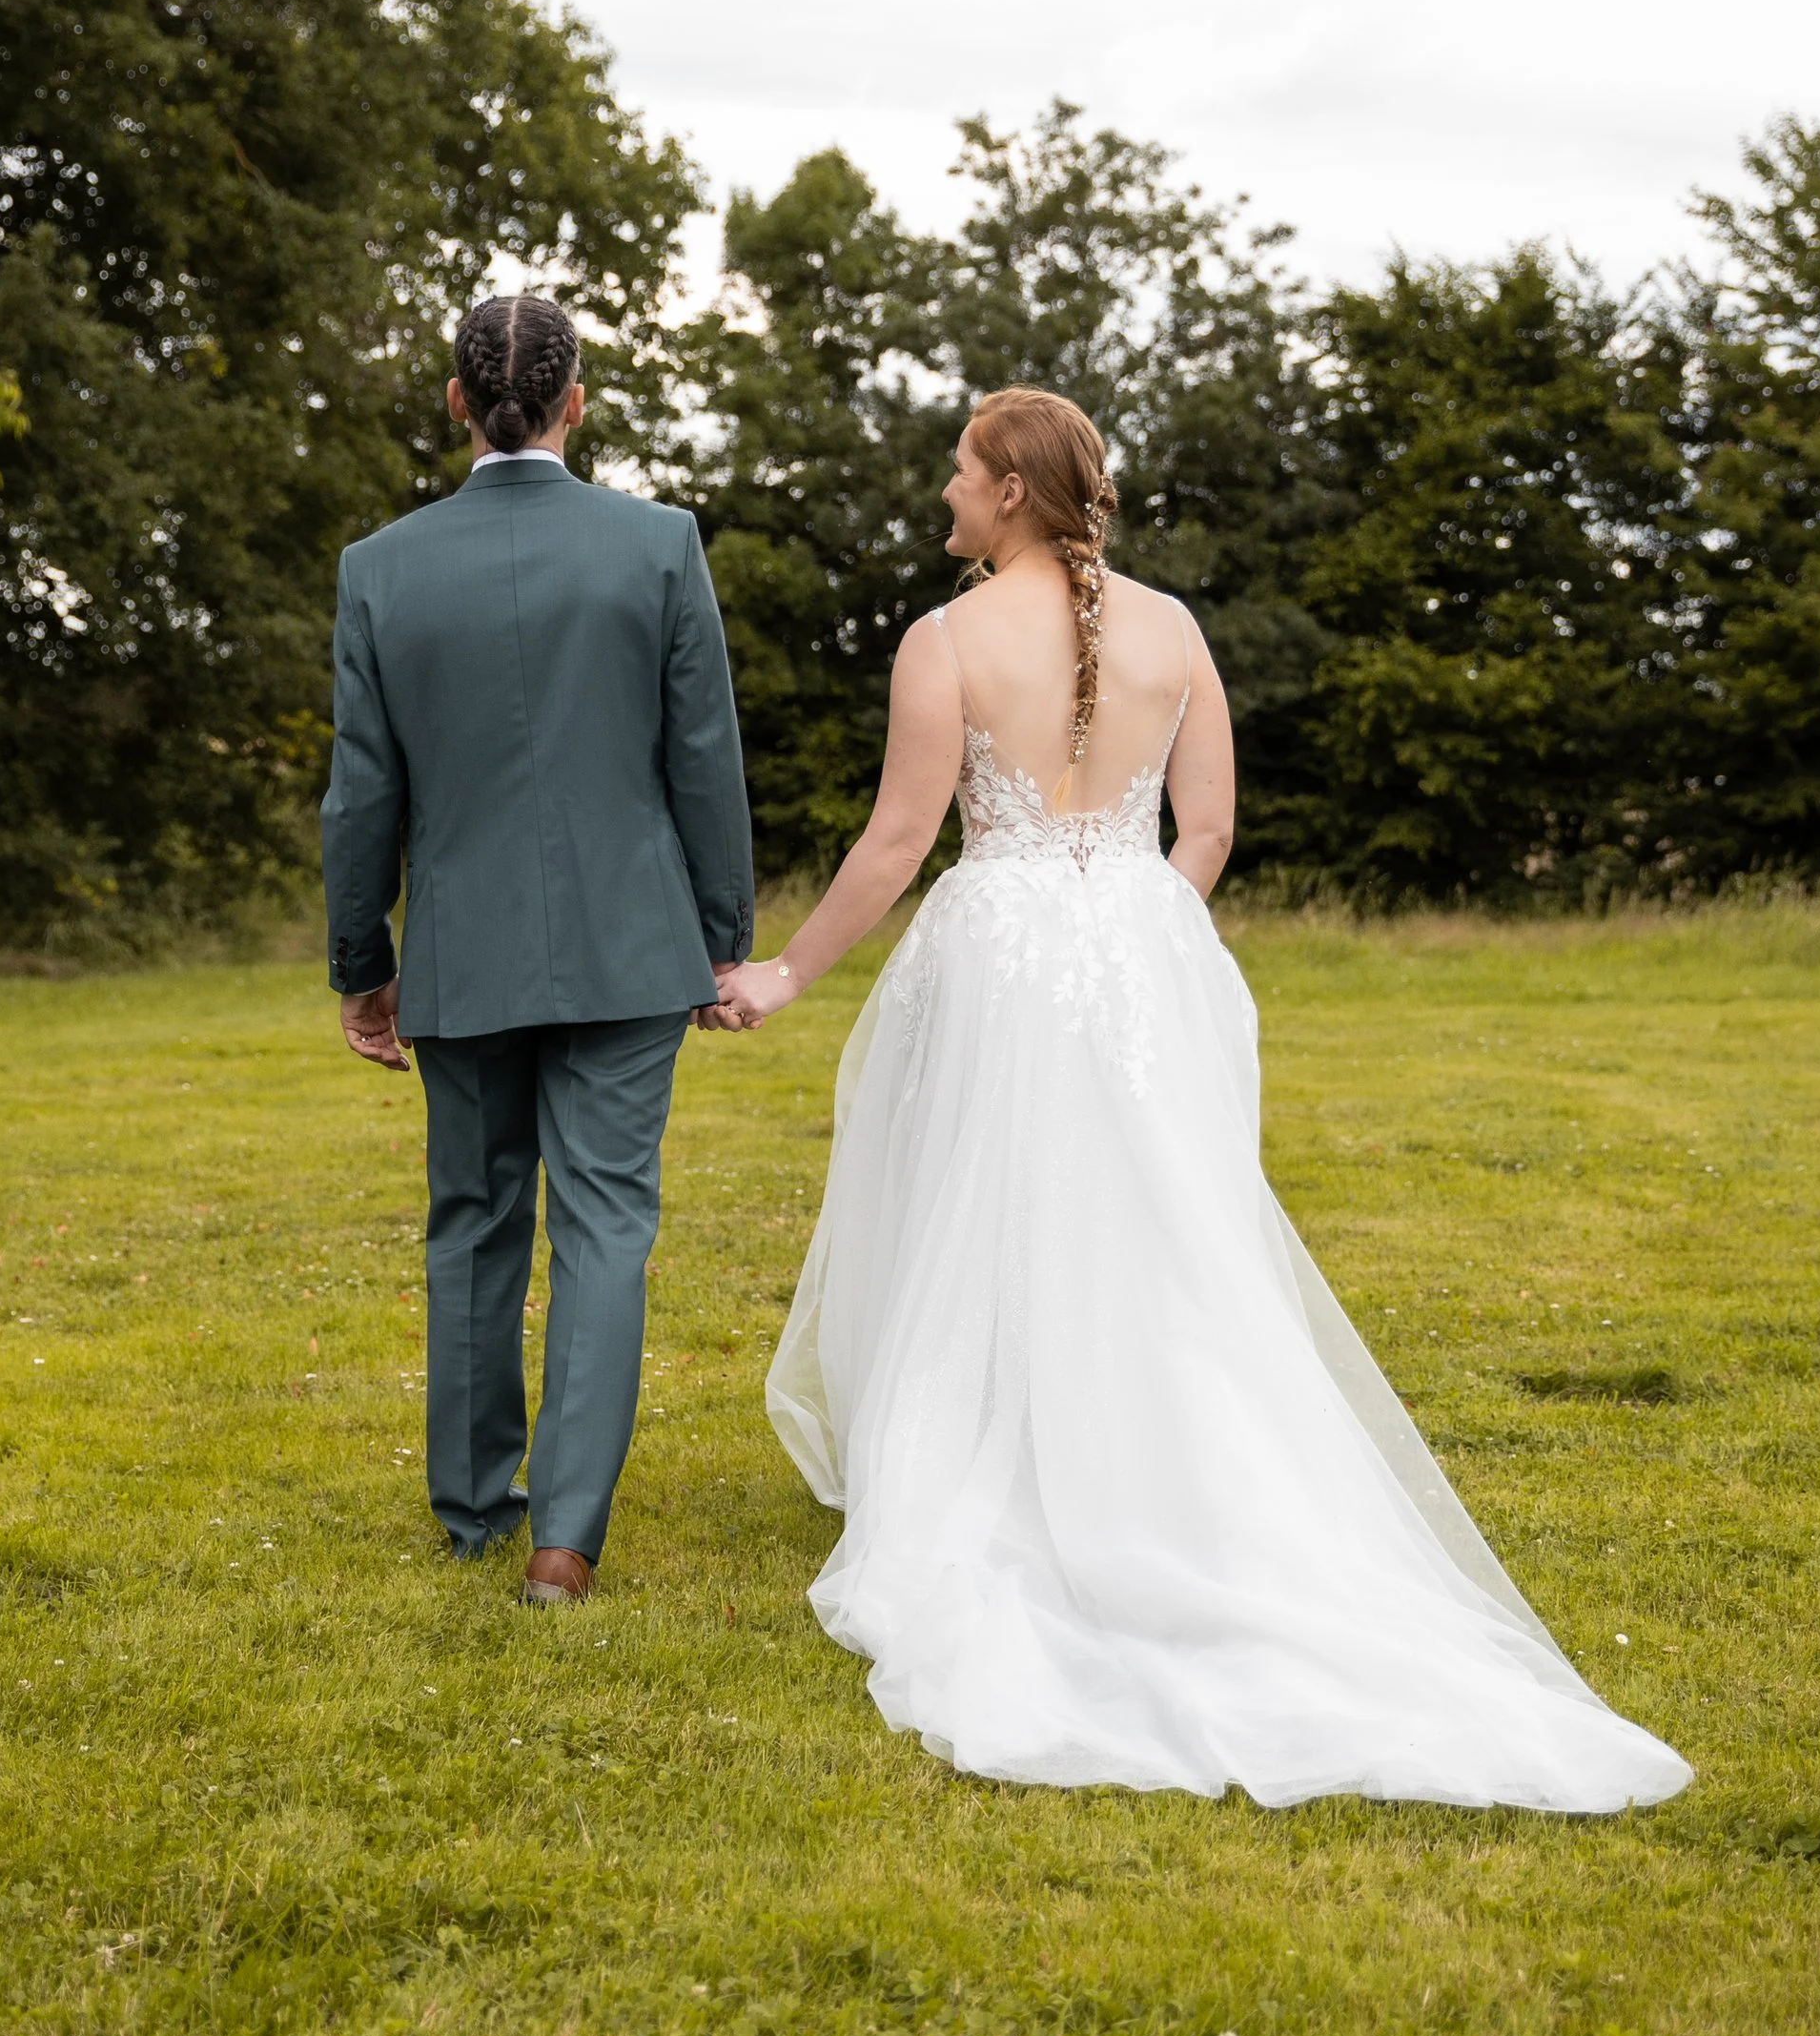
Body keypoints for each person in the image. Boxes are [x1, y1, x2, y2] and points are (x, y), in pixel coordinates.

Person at [714, 388, 1690, 1811]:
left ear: (1009, 495)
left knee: (981, 1208)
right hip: (1144, 959)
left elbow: (901, 837)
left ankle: (1007, 1466)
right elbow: (1211, 826)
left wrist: (790, 975)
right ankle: (1153, 1454)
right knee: (1155, 1223)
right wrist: (1131, 933)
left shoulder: (947, 641)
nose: (944, 489)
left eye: (960, 469)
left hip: (998, 956)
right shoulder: (1177, 630)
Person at [321, 294, 755, 1605]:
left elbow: (361, 795)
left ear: (458, 402)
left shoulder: (379, 569)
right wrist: (720, 938)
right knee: (609, 1224)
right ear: (578, 400)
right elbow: (703, 763)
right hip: (632, 944)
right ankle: (563, 1539)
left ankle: (472, 1515)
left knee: (474, 1216)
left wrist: (362, 962)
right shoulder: (662, 545)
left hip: (463, 950)